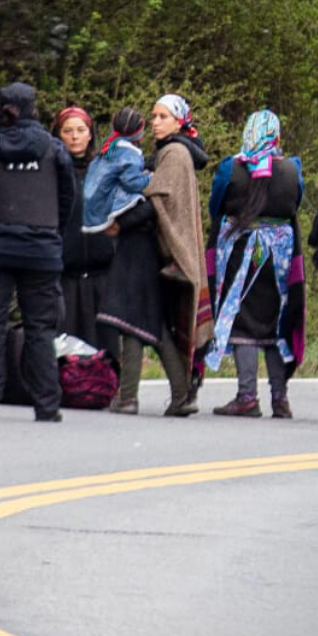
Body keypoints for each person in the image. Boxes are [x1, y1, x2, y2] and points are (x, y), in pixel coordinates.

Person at [0, 82, 76, 421]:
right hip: (40, 248)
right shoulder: (54, 149)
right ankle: (47, 405)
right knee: (41, 328)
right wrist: (52, 234)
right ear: (33, 109)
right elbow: (67, 199)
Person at [97, 94, 213, 417]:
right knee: (145, 321)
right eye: (154, 116)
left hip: (154, 246)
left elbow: (156, 202)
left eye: (164, 116)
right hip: (155, 247)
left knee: (137, 319)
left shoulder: (175, 153)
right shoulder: (168, 153)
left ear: (179, 122)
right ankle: (174, 395)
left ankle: (137, 396)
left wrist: (120, 224)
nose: (157, 122)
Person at [206, 109, 305, 419]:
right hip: (279, 256)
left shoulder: (232, 169)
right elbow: (294, 205)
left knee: (241, 317)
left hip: (239, 251)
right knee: (276, 320)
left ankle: (247, 396)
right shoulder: (291, 170)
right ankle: (280, 399)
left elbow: (215, 206)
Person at [53, 106, 117, 359]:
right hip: (65, 269)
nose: (75, 136)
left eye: (81, 130)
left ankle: (108, 385)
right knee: (67, 341)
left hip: (102, 268)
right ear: (58, 135)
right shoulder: (53, 170)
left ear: (90, 134)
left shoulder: (104, 169)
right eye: (68, 131)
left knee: (104, 342)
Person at [82, 108, 151, 232]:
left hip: (90, 201)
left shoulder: (109, 146)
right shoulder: (129, 155)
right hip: (105, 207)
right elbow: (132, 183)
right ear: (139, 133)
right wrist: (149, 177)